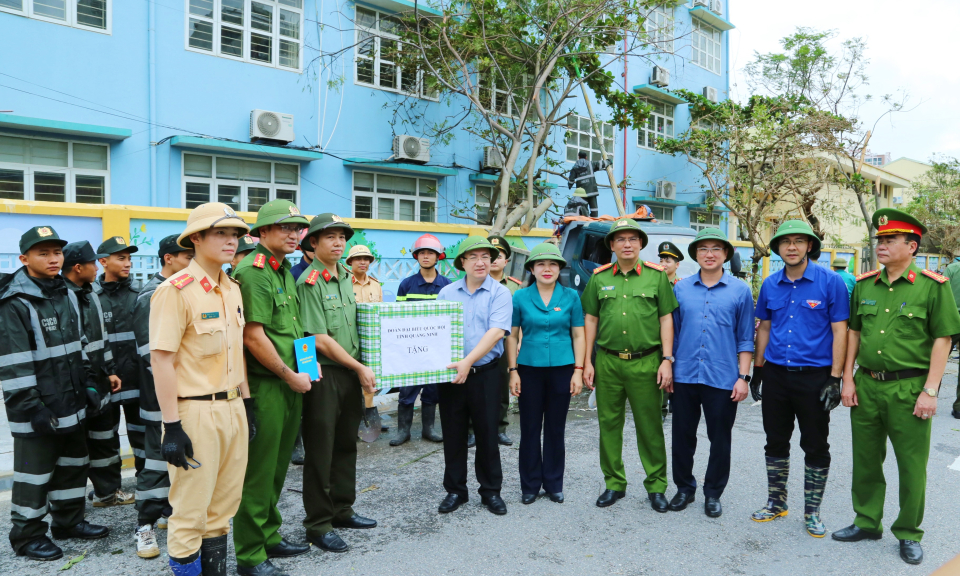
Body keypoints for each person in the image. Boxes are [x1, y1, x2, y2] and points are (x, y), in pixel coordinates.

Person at [832, 208, 960, 566]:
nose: (881, 246)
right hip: (867, 385)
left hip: (909, 388)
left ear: (912, 246)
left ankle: (907, 532)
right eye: (880, 240)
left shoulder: (933, 286)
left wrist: (931, 390)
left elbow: (943, 338)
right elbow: (854, 332)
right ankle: (867, 521)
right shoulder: (864, 284)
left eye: (890, 240)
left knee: (911, 465)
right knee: (866, 460)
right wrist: (846, 378)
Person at [149, 203, 252, 576]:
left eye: (235, 234)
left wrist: (247, 403)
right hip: (194, 412)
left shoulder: (232, 289)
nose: (231, 241)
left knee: (224, 508)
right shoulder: (175, 291)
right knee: (191, 511)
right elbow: (161, 360)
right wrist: (172, 426)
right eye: (221, 233)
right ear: (196, 238)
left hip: (232, 407)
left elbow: (235, 351)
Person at [1, 226, 110, 561]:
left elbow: (80, 347)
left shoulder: (66, 293)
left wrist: (91, 384)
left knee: (73, 464)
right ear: (24, 258)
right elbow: (13, 362)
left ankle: (68, 521)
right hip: (38, 409)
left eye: (56, 253)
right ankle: (27, 536)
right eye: (42, 253)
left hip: (71, 402)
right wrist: (32, 408)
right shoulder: (13, 302)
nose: (52, 259)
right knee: (35, 474)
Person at [750, 220, 849, 537]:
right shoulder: (770, 284)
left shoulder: (830, 282)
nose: (791, 247)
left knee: (815, 444)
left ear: (809, 246)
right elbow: (764, 327)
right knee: (775, 441)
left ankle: (812, 512)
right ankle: (776, 502)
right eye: (785, 242)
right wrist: (759, 369)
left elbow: (840, 332)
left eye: (798, 241)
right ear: (777, 248)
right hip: (777, 375)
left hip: (815, 379)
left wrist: (835, 379)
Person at [233, 200, 313, 575]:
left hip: (290, 382)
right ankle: (250, 555)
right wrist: (289, 374)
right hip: (268, 386)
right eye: (285, 228)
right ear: (261, 232)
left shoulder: (284, 270)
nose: (294, 234)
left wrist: (307, 369)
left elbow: (292, 329)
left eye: (297, 228)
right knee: (259, 471)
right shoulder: (255, 271)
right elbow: (254, 336)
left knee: (279, 467)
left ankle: (269, 536)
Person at [580, 218, 677, 512]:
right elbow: (591, 320)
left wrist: (667, 360)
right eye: (620, 239)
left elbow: (665, 319)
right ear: (611, 245)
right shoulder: (598, 278)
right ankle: (614, 483)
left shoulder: (656, 276)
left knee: (650, 427)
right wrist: (586, 362)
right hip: (608, 362)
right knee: (609, 424)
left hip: (646, 362)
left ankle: (656, 486)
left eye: (632, 239)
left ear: (640, 244)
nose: (626, 244)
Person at [297, 213, 378, 553]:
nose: (338, 242)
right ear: (313, 243)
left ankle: (342, 510)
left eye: (342, 236)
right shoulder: (309, 282)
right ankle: (318, 524)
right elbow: (318, 338)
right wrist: (359, 366)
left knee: (346, 444)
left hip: (349, 372)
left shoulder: (346, 276)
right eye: (329, 236)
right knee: (321, 450)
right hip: (325, 374)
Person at [668, 228, 754, 519]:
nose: (709, 254)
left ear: (726, 254)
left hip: (723, 377)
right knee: (682, 436)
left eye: (716, 248)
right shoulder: (680, 289)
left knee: (720, 438)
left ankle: (713, 493)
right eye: (703, 249)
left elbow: (745, 338)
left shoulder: (740, 291)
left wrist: (743, 378)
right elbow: (673, 334)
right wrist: (667, 364)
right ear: (695, 255)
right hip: (684, 374)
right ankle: (684, 488)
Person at [436, 236, 513, 516]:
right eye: (473, 257)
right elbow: (436, 332)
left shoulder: (500, 293)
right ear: (462, 263)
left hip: (486, 375)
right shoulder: (446, 293)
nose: (481, 262)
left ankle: (490, 491)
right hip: (452, 377)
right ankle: (456, 490)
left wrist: (468, 361)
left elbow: (496, 333)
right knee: (453, 434)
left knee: (487, 433)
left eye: (486, 257)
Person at [505, 243, 585, 505]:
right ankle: (529, 485)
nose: (547, 269)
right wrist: (513, 370)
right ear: (532, 268)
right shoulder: (520, 297)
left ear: (560, 268)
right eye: (540, 264)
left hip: (563, 370)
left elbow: (578, 334)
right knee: (529, 428)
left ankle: (553, 483)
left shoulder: (571, 296)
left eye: (552, 264)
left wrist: (578, 370)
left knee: (555, 428)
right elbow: (513, 334)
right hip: (528, 370)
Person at [131, 234, 194, 559]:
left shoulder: (186, 289)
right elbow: (151, 355)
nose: (192, 263)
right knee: (156, 462)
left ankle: (170, 513)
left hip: (187, 397)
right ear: (169, 258)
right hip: (161, 398)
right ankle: (144, 526)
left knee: (179, 462)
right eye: (187, 257)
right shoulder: (152, 295)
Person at [62, 241, 126, 513]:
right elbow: (77, 346)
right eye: (92, 262)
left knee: (105, 438)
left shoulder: (91, 294)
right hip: (76, 384)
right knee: (76, 446)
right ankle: (69, 508)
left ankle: (107, 492)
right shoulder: (63, 296)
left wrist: (109, 371)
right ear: (79, 268)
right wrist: (89, 381)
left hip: (99, 379)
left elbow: (102, 338)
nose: (96, 265)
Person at [93, 236, 144, 504]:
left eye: (129, 257)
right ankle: (108, 491)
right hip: (105, 381)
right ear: (103, 262)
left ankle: (147, 488)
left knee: (142, 435)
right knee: (104, 438)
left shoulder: (141, 293)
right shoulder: (90, 295)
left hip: (137, 379)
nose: (127, 263)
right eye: (120, 258)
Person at [391, 234, 451, 446]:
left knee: (433, 390)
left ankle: (429, 429)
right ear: (416, 256)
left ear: (438, 257)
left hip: (436, 349)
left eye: (430, 253)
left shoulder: (447, 286)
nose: (426, 257)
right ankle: (403, 432)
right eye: (422, 253)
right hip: (410, 349)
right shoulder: (406, 285)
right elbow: (397, 318)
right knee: (407, 389)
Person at [487, 234, 521, 446]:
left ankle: (500, 428)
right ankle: (473, 429)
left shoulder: (515, 288)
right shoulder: (474, 283)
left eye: (499, 256)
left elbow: (520, 319)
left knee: (502, 389)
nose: (494, 260)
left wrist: (518, 343)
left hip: (504, 345)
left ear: (506, 261)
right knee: (475, 390)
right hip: (478, 346)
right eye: (490, 256)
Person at [657, 241, 684, 418]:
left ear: (677, 264)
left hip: (678, 338)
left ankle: (675, 402)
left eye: (668, 261)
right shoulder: (653, 284)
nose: (664, 264)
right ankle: (660, 407)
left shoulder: (682, 287)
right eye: (661, 260)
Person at [939, 256, 960, 419]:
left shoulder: (952, 268)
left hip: (950, 320)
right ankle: (959, 408)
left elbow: (942, 293)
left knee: (937, 360)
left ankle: (927, 397)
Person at [566, 151, 612, 218]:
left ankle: (585, 221)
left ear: (578, 157)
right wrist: (609, 161)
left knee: (583, 210)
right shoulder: (591, 164)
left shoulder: (575, 167)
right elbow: (601, 163)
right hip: (592, 191)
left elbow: (571, 179)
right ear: (586, 157)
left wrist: (570, 185)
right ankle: (593, 221)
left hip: (581, 194)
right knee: (594, 210)